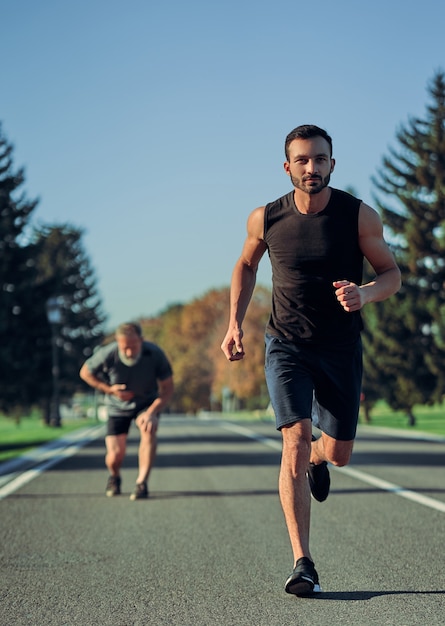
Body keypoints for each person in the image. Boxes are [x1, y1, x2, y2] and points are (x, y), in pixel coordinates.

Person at [220, 125, 401, 595]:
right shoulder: (266, 218)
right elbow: (245, 265)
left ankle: (321, 458)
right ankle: (303, 563)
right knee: (295, 440)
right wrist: (235, 323)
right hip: (287, 345)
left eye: (320, 159)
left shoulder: (359, 217)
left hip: (340, 347)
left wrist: (365, 293)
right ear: (288, 167)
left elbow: (391, 274)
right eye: (302, 160)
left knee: (337, 454)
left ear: (332, 165)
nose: (311, 167)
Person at [80, 322, 174, 500]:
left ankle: (141, 483)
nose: (129, 352)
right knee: (115, 455)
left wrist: (152, 412)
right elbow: (85, 373)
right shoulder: (107, 354)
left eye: (133, 347)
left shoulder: (154, 354)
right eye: (124, 348)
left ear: (141, 340)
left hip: (146, 403)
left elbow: (168, 389)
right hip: (117, 406)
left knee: (148, 428)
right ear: (117, 342)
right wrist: (109, 390)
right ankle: (114, 476)